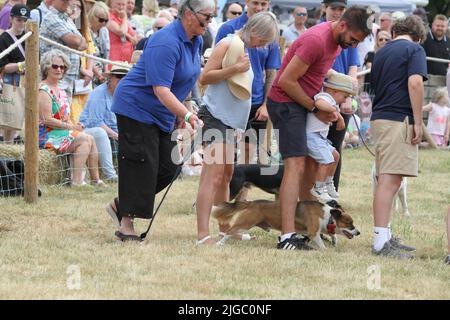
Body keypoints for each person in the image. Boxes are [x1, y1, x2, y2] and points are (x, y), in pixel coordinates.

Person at [105, 0, 214, 242]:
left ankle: (120, 204)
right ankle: (126, 226)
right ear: (188, 14)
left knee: (169, 165)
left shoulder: (195, 40)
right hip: (136, 107)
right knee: (140, 162)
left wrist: (178, 114)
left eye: (211, 17)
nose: (209, 22)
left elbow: (182, 83)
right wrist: (186, 114)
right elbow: (161, 89)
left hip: (162, 112)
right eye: (206, 17)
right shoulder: (166, 41)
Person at [267, 6, 370, 250]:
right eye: (353, 40)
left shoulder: (336, 43)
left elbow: (320, 74)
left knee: (312, 166)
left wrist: (338, 98)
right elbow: (286, 81)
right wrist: (316, 109)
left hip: (302, 102)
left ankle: (308, 230)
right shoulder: (316, 40)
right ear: (342, 25)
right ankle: (286, 236)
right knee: (296, 165)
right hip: (285, 102)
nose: (353, 46)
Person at [195, 11, 279, 245]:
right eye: (263, 40)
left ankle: (225, 228)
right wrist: (234, 69)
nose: (263, 46)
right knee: (212, 176)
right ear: (255, 32)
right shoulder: (227, 43)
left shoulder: (242, 47)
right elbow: (205, 77)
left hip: (232, 123)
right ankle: (203, 235)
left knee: (226, 176)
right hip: (215, 117)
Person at [370, 15, 427, 259]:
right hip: (398, 117)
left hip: (380, 116)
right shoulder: (415, 49)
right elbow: (415, 83)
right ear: (420, 36)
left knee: (387, 178)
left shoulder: (381, 52)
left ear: (394, 32)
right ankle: (381, 242)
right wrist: (417, 120)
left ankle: (385, 235)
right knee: (391, 180)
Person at [215, 0, 281, 165]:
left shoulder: (271, 32)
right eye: (255, 3)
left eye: (263, 4)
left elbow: (272, 72)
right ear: (247, 2)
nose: (259, 8)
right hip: (228, 100)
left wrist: (266, 104)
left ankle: (240, 191)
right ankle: (224, 190)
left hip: (255, 101)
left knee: (248, 156)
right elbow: (213, 64)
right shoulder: (228, 28)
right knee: (223, 156)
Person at [38, 50, 104, 187]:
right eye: (55, 66)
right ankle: (77, 181)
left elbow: (65, 117)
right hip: (46, 134)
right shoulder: (43, 89)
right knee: (84, 139)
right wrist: (72, 128)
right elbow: (47, 120)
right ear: (46, 67)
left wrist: (75, 126)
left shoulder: (61, 90)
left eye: (62, 67)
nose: (59, 70)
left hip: (59, 131)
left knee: (89, 137)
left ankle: (96, 180)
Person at [321, 0, 361, 194]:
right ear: (324, 8)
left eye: (341, 9)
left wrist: (348, 95)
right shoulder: (318, 32)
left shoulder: (349, 35)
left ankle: (331, 194)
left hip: (341, 99)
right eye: (333, 8)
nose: (337, 12)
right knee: (316, 148)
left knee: (335, 148)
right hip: (319, 100)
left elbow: (354, 68)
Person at [79, 64, 131, 182]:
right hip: (89, 131)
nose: (122, 80)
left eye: (125, 77)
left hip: (112, 133)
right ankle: (110, 175)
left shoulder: (125, 94)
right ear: (110, 78)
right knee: (100, 132)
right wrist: (118, 136)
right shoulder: (99, 93)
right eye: (118, 76)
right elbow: (96, 122)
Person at [307, 73, 353, 203]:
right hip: (311, 136)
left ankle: (328, 183)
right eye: (345, 96)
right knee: (326, 160)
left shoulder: (332, 101)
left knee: (335, 156)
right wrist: (337, 114)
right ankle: (318, 187)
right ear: (334, 91)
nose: (345, 100)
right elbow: (319, 103)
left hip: (319, 137)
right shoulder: (325, 97)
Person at [40, 0, 87, 97]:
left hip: (69, 79)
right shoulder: (51, 18)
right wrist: (76, 42)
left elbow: (84, 44)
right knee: (53, 111)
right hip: (56, 78)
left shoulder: (68, 19)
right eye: (64, 0)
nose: (67, 3)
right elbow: (76, 42)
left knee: (64, 111)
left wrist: (76, 42)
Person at [0, 4, 29, 144]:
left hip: (27, 81)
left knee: (21, 119)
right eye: (19, 19)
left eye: (24, 20)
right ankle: (7, 146)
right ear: (11, 19)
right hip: (10, 82)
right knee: (9, 119)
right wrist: (21, 65)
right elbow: (3, 67)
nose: (22, 23)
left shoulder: (29, 36)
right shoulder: (4, 38)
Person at [88, 1, 110, 86]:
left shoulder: (104, 31)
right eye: (101, 20)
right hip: (90, 73)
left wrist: (105, 73)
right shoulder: (85, 31)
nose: (104, 23)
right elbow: (86, 55)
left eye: (106, 20)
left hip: (101, 74)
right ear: (93, 17)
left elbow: (106, 55)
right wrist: (98, 74)